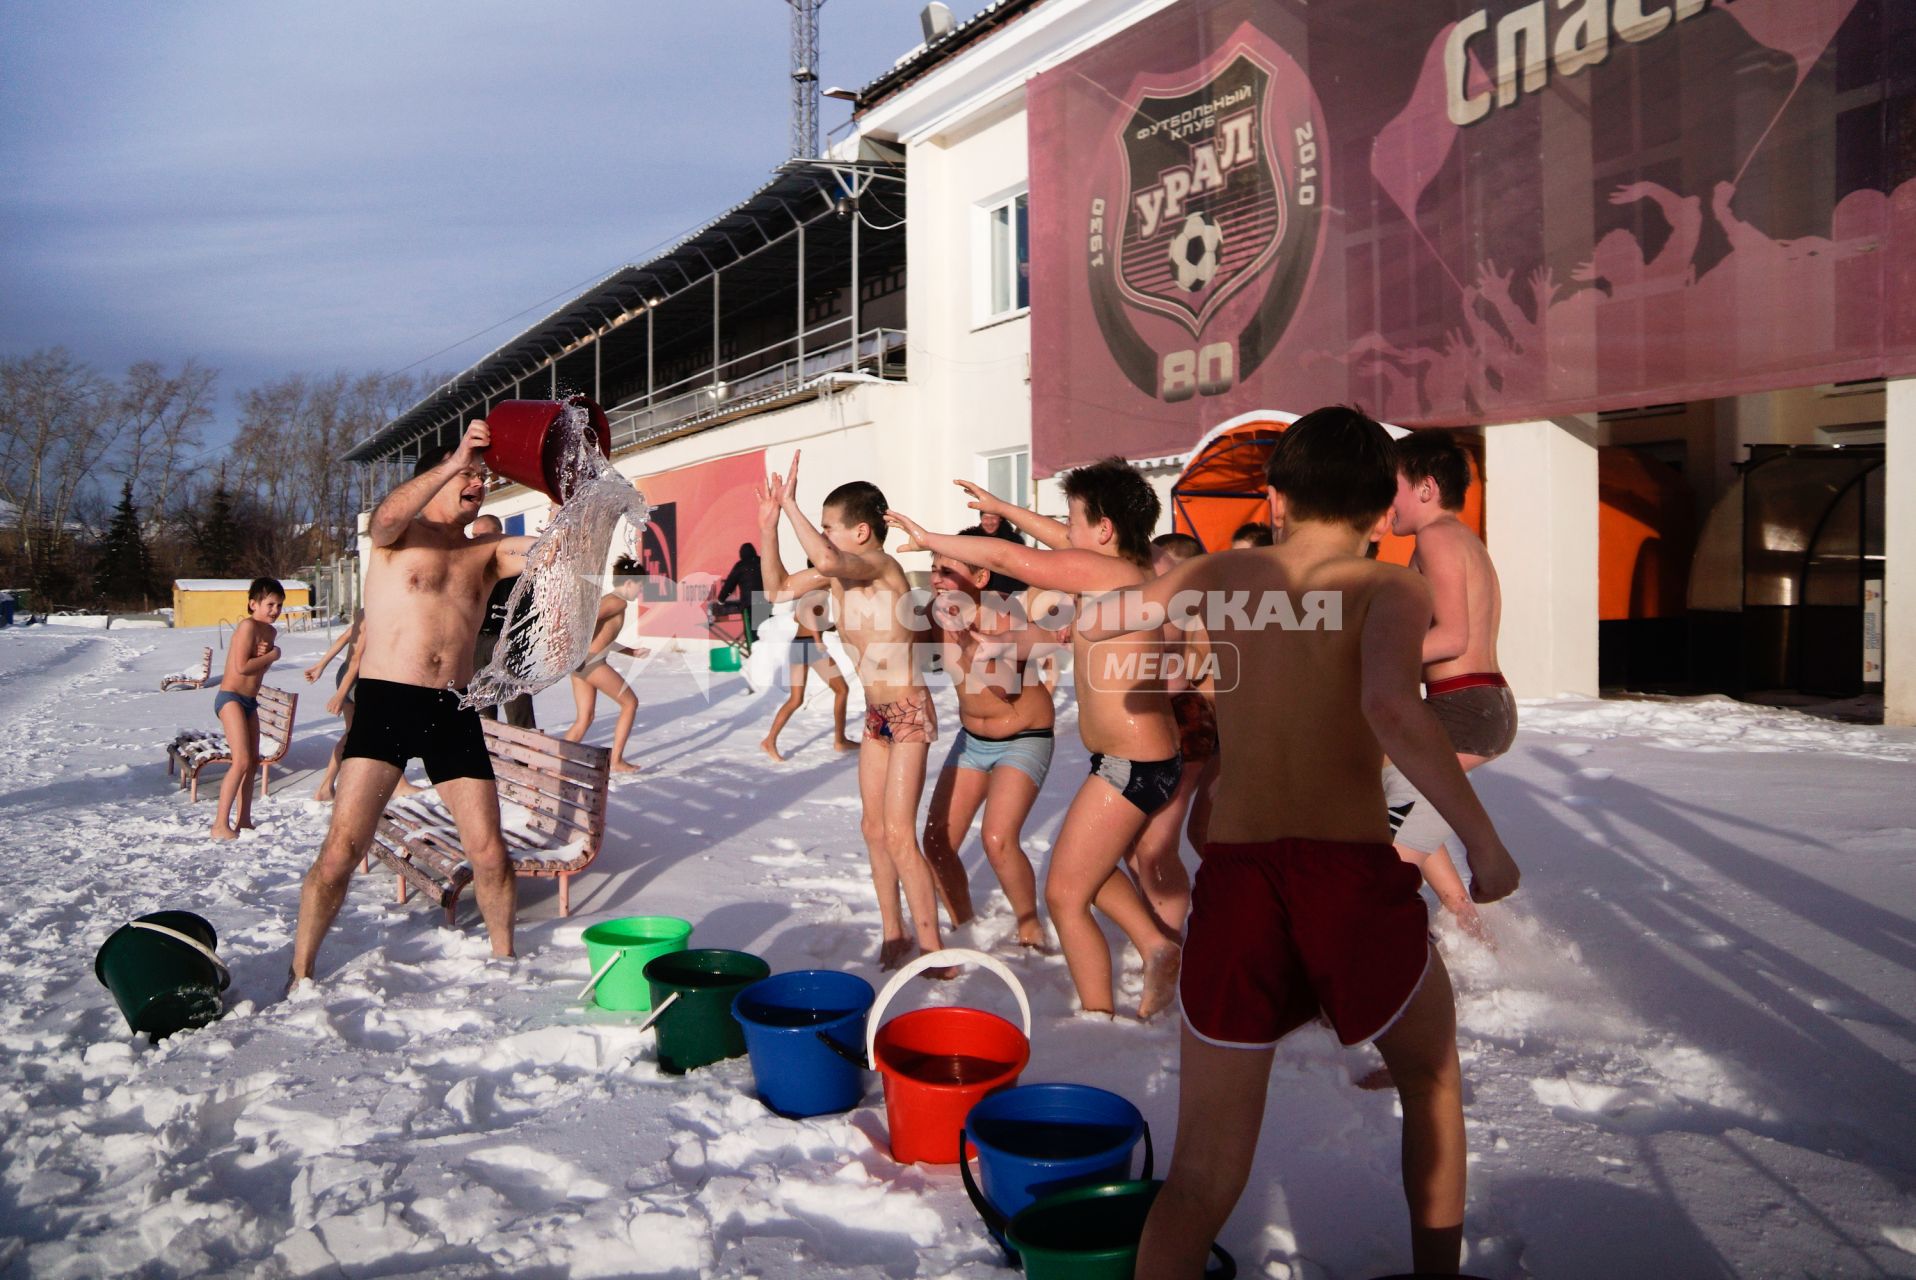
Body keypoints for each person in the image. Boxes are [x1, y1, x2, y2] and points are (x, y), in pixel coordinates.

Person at [1076, 406, 1521, 1278]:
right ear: (1378, 508)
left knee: (1201, 1172)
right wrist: (1484, 843)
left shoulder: (1223, 570)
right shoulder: (1389, 588)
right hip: (1346, 871)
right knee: (1430, 1082)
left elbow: (1103, 622)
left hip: (1238, 877)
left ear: (1275, 498)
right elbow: (1393, 708)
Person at [886, 458, 1182, 1020]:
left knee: (1066, 896)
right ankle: (1156, 944)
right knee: (1088, 874)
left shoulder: (1106, 576)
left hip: (1130, 762)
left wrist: (928, 538)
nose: (1061, 530)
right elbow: (1052, 542)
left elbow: (1008, 557)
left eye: (1071, 521)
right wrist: (1003, 510)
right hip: (1141, 759)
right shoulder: (1130, 565)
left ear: (1102, 531)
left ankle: (1098, 1018)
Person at [289, 421, 537, 982]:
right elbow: (384, 520)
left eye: (483, 477)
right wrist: (455, 460)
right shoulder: (399, 538)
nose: (477, 483)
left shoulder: (488, 554)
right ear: (438, 474)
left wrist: (574, 495)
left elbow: (553, 550)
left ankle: (505, 961)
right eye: (467, 474)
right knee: (340, 852)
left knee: (491, 853)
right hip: (387, 705)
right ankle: (300, 973)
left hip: (454, 710)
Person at [759, 455, 951, 971]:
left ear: (861, 532)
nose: (822, 538)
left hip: (909, 712)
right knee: (872, 828)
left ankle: (933, 949)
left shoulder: (881, 567)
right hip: (876, 716)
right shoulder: (837, 577)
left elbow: (824, 560)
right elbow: (776, 588)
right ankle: (894, 932)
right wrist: (769, 525)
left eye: (829, 529)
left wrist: (791, 503)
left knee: (898, 834)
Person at [1382, 431, 1516, 939]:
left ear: (1425, 487)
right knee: (1389, 794)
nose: (1383, 500)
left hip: (1465, 710)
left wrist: (1363, 657)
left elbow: (1452, 636)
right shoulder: (1458, 537)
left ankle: (1405, 955)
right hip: (1471, 703)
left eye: (1389, 485)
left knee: (1383, 857)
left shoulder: (1436, 537)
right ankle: (1465, 920)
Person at [912, 527, 1056, 950]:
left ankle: (1029, 923)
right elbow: (898, 650)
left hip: (1024, 736)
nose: (936, 579)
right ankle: (964, 923)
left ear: (980, 579)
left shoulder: (1003, 619)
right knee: (936, 841)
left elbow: (1004, 688)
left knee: (997, 839)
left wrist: (965, 641)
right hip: (972, 740)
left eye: (947, 571)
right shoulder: (931, 616)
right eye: (933, 569)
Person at [209, 577, 283, 840]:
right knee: (240, 760)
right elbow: (241, 667)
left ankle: (244, 820)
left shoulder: (271, 633)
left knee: (251, 762)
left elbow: (258, 669)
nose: (275, 610)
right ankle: (219, 824)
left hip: (249, 702)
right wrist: (272, 655)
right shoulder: (247, 626)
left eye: (279, 605)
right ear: (253, 604)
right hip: (230, 698)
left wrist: (265, 657)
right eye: (270, 604)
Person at [562, 556, 650, 774]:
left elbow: (603, 637)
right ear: (629, 583)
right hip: (592, 663)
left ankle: (558, 763)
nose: (639, 594)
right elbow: (585, 621)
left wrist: (631, 651)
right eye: (639, 588)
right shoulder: (617, 602)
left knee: (585, 718)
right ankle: (616, 760)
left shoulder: (612, 600)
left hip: (581, 663)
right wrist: (571, 641)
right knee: (630, 703)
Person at [761, 580, 854, 761]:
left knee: (795, 699)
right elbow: (810, 613)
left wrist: (826, 626)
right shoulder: (820, 593)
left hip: (797, 645)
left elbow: (798, 617)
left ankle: (769, 740)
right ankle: (840, 740)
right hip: (810, 646)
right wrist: (817, 638)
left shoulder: (807, 594)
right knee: (841, 690)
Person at [470, 514, 537, 730]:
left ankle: (524, 759)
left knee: (518, 708)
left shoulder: (518, 563)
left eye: (483, 535)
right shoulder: (472, 566)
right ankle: (488, 758)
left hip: (508, 641)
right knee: (482, 710)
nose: (477, 540)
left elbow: (528, 606)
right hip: (478, 641)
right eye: (474, 536)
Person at [709, 542, 763, 638]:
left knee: (752, 635)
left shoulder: (740, 566)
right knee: (764, 632)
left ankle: (755, 651)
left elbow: (729, 585)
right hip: (763, 601)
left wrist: (721, 599)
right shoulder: (762, 562)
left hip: (748, 604)